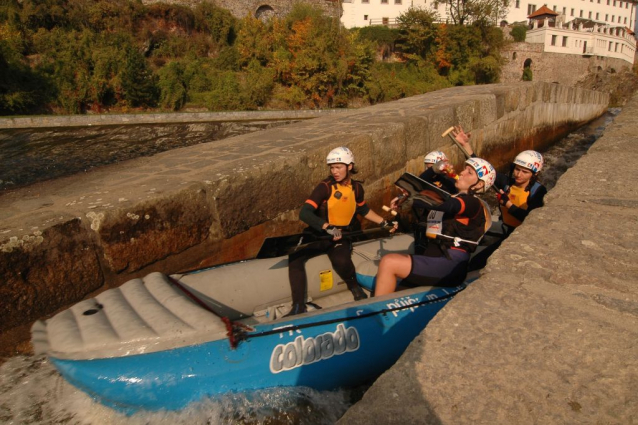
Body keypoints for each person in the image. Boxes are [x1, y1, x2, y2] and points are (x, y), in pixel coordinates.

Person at [287, 147, 398, 316]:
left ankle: (356, 289)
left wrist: (384, 222)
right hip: (319, 234)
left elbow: (364, 210)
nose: (335, 171)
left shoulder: (357, 189)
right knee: (294, 257)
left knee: (341, 260)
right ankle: (297, 306)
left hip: (341, 235)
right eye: (332, 167)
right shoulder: (324, 187)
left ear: (350, 166)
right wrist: (326, 226)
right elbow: (305, 213)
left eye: (338, 167)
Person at [374, 157, 496, 296]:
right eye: (464, 169)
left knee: (388, 262)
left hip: (450, 264)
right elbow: (421, 185)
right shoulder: (452, 196)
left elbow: (446, 205)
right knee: (397, 290)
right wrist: (434, 170)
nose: (462, 172)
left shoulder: (472, 203)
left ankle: (375, 315)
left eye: (469, 172)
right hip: (432, 258)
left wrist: (412, 200)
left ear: (479, 185)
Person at [452, 126, 547, 235]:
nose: (519, 175)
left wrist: (507, 204)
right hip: (504, 228)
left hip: (523, 234)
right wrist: (465, 145)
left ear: (535, 174)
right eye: (517, 169)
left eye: (525, 172)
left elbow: (532, 219)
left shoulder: (538, 192)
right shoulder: (506, 183)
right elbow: (482, 167)